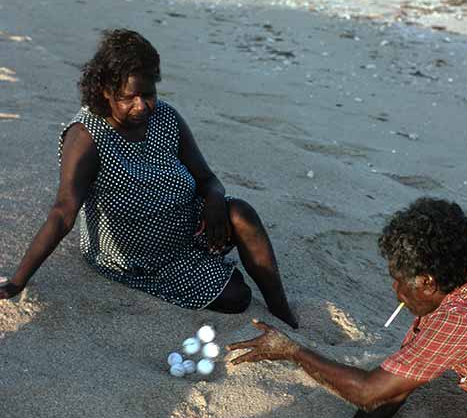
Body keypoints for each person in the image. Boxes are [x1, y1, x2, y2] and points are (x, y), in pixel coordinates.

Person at [0, 29, 297, 328]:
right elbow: (63, 213)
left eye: (148, 94)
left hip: (188, 226)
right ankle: (208, 270)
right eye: (129, 97)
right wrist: (17, 282)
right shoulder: (87, 137)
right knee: (238, 298)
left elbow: (207, 177)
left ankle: (281, 308)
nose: (141, 106)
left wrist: (215, 199)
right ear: (105, 90)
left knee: (241, 212)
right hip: (139, 255)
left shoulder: (165, 117)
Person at [228, 198, 467, 418]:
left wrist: (292, 350)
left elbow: (369, 391)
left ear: (427, 282)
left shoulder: (459, 321)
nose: (396, 290)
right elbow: (394, 387)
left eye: (398, 280)